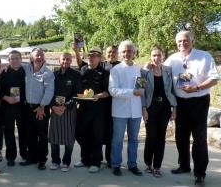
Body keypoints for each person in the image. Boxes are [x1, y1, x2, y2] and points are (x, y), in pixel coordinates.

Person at [165, 30, 219, 186]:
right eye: (179, 41)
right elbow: (161, 72)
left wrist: (196, 88)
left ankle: (200, 173)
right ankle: (184, 166)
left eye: (186, 40)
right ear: (176, 43)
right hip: (180, 103)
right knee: (180, 137)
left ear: (192, 41)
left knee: (199, 139)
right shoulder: (172, 59)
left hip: (199, 101)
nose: (182, 43)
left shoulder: (204, 56)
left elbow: (214, 79)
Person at [73, 44, 119, 167]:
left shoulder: (104, 73)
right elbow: (78, 88)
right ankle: (84, 159)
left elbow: (108, 92)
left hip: (98, 111)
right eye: (90, 55)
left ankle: (96, 162)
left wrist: (98, 96)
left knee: (96, 136)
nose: (91, 58)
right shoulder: (82, 69)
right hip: (83, 109)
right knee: (82, 134)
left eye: (94, 56)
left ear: (100, 58)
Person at [108, 40, 143, 176]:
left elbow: (141, 87)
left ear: (134, 53)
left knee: (134, 139)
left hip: (136, 110)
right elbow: (113, 90)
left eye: (129, 51)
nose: (127, 53)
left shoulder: (139, 69)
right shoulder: (115, 70)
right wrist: (132, 92)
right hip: (120, 110)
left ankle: (132, 164)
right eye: (124, 51)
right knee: (118, 139)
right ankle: (116, 164)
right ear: (120, 53)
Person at [141, 46, 177, 177]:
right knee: (151, 137)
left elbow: (173, 91)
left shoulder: (168, 71)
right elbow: (141, 91)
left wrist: (174, 109)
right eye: (154, 55)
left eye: (159, 55)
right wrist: (143, 109)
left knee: (161, 138)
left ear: (163, 57)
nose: (157, 58)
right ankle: (148, 164)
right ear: (150, 57)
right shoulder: (145, 72)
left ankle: (157, 166)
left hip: (165, 108)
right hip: (150, 107)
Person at [20, 47, 54, 170]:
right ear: (31, 58)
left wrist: (42, 106)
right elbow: (14, 64)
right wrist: (6, 67)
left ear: (44, 58)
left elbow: (49, 91)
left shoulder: (48, 73)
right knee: (30, 135)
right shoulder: (26, 69)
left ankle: (42, 160)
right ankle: (32, 157)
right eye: (36, 55)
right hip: (27, 108)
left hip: (41, 108)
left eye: (41, 55)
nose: (39, 57)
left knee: (42, 136)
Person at [49, 53, 82, 172]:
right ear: (59, 60)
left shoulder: (76, 75)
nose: (66, 61)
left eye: (68, 59)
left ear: (71, 61)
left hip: (69, 110)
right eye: (64, 59)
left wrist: (66, 105)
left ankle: (66, 162)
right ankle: (55, 161)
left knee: (69, 138)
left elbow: (78, 94)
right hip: (55, 109)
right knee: (54, 137)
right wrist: (53, 106)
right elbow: (49, 92)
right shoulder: (53, 75)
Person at [0, 50, 28, 166]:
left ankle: (24, 155)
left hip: (22, 108)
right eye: (11, 59)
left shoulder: (26, 72)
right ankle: (11, 157)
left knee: (23, 133)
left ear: (21, 59)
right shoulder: (3, 74)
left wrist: (22, 98)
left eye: (16, 58)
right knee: (9, 133)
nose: (14, 61)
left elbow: (29, 89)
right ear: (8, 61)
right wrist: (6, 98)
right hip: (7, 107)